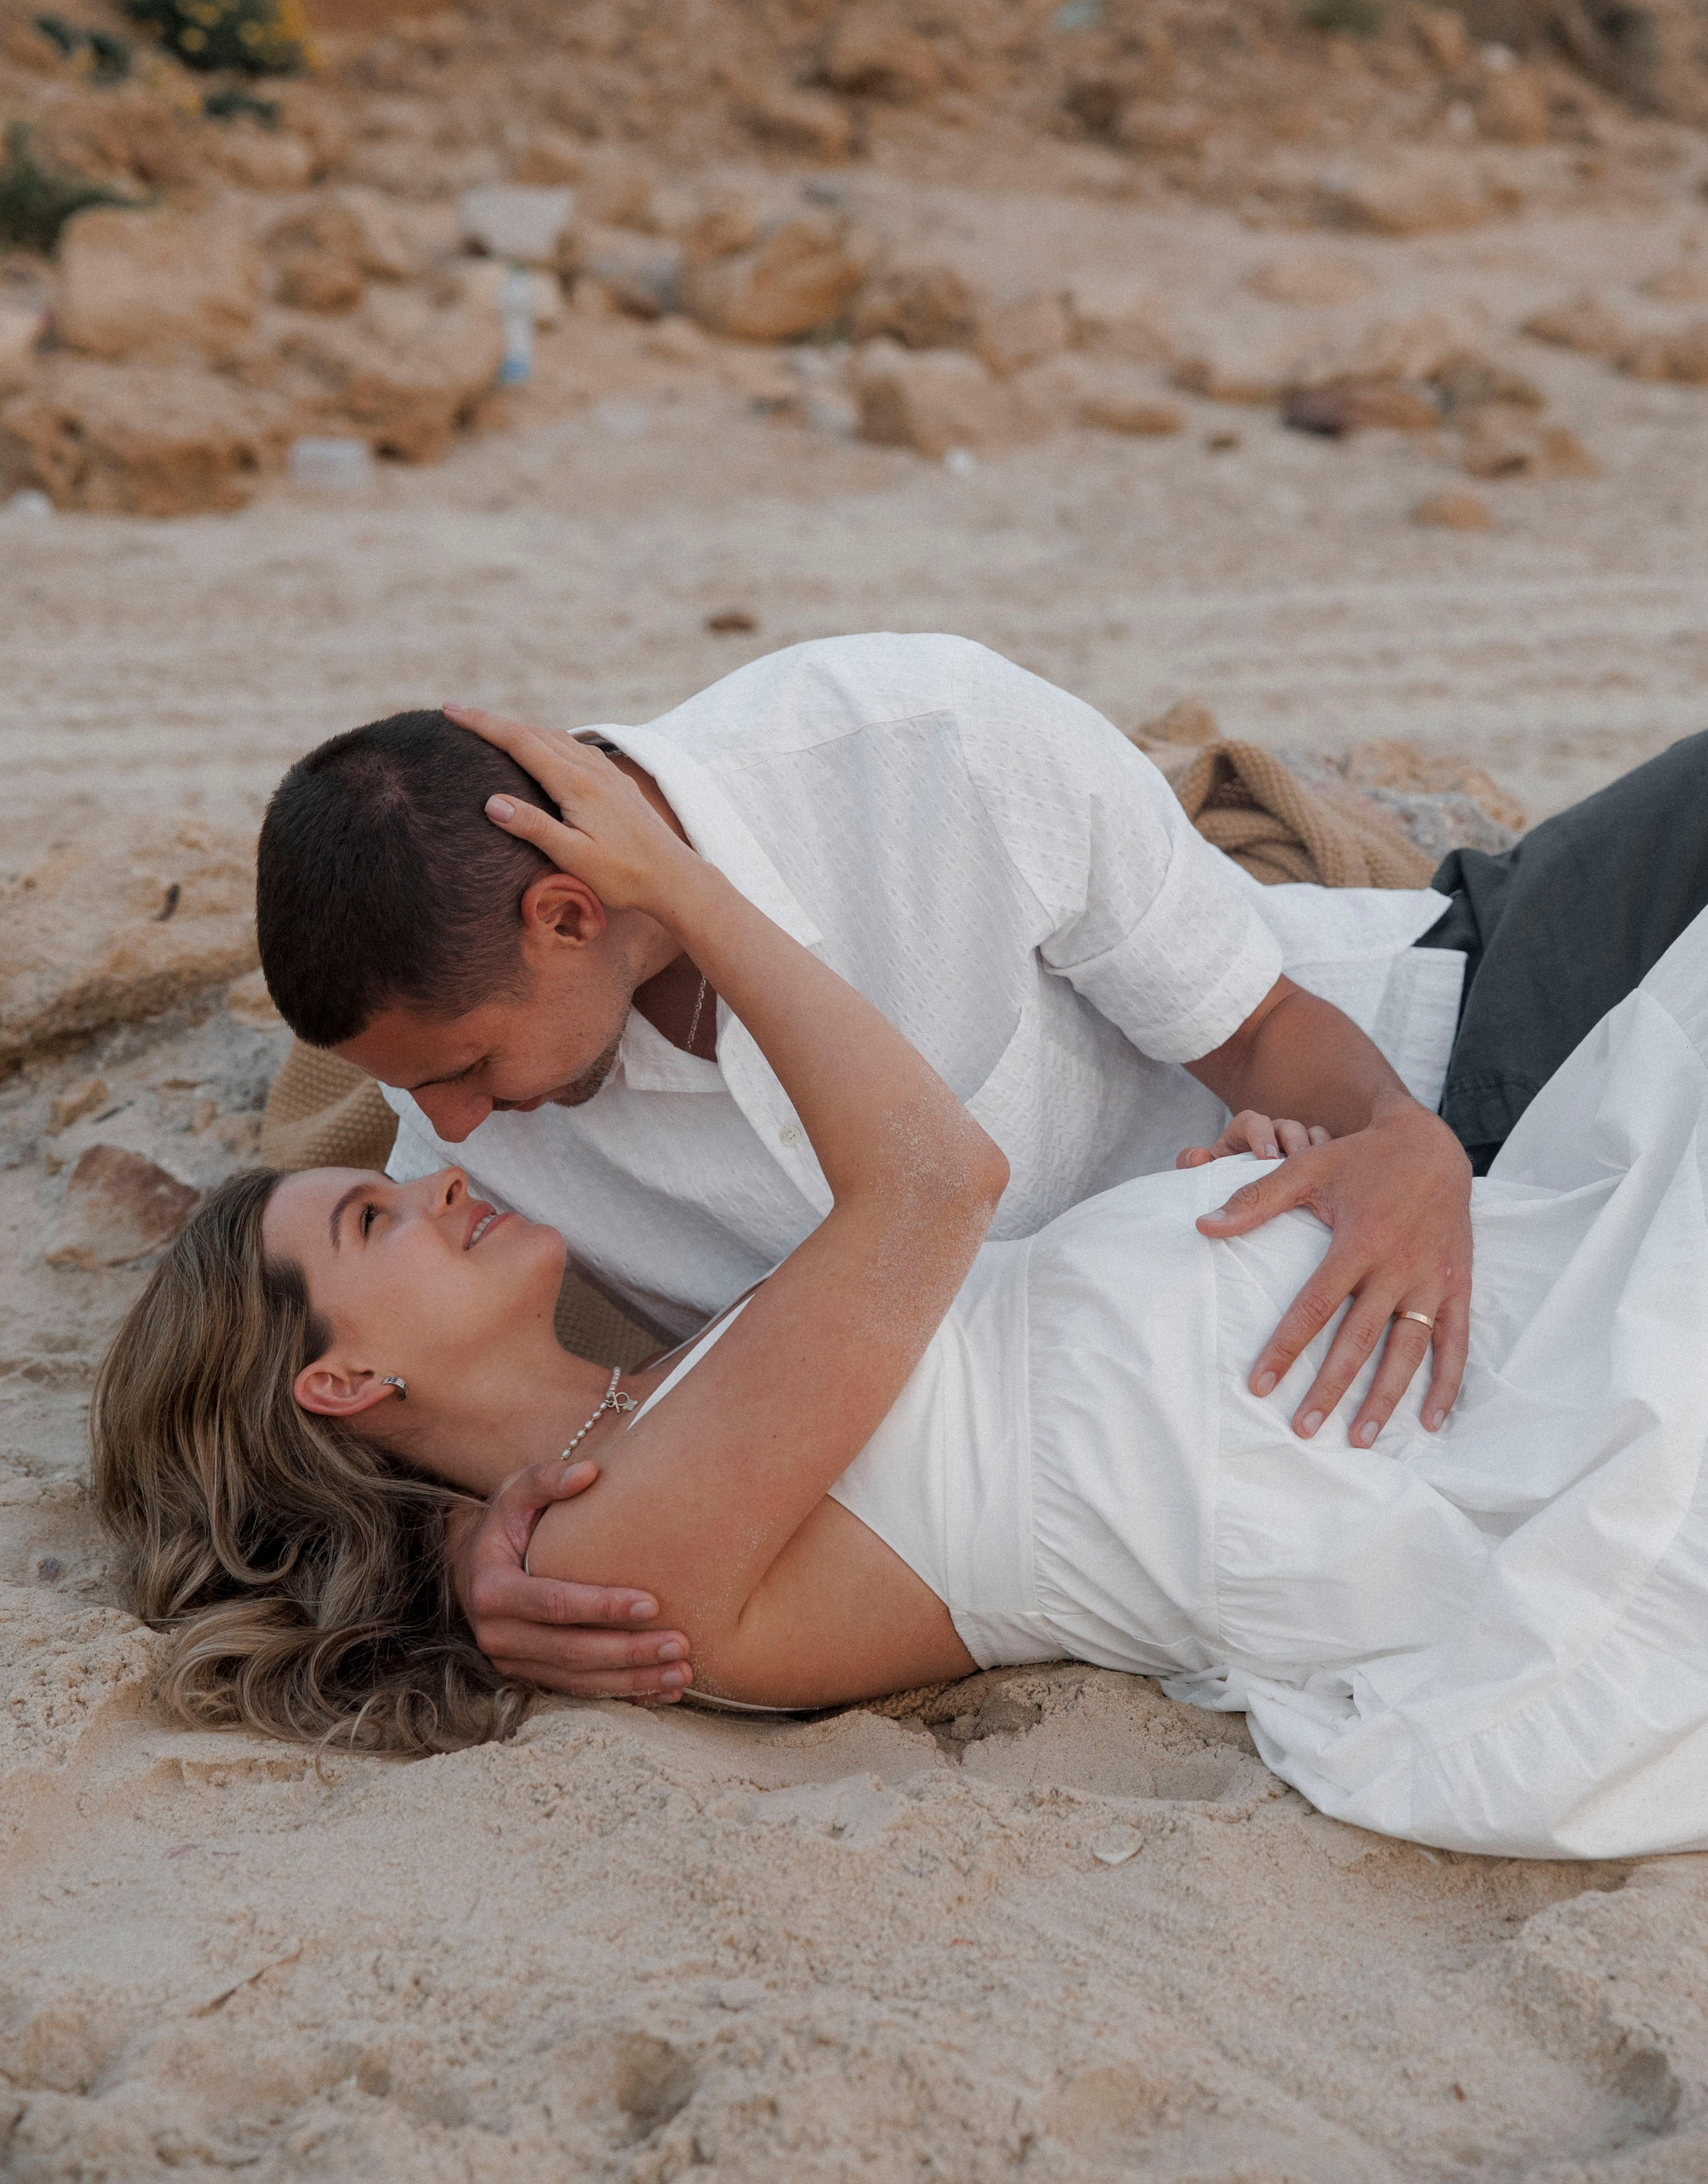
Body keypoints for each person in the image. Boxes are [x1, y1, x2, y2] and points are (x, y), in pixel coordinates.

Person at [97, 720, 1708, 1859]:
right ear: (342, 1383)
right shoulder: (598, 1554)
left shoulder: (608, 1451)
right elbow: (934, 1185)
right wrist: (691, 894)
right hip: (1413, 1434)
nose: (443, 1160)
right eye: (380, 1219)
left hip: (1402, 1294)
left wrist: (1206, 1190)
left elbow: (973, 1316)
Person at [257, 636, 1478, 1701]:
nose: (451, 1133)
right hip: (1286, 1395)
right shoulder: (483, 1162)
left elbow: (1263, 1033)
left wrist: (1402, 1131)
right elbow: (429, 1417)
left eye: (461, 1067)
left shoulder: (930, 743)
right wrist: (469, 1548)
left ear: (573, 916)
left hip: (1431, 1079)